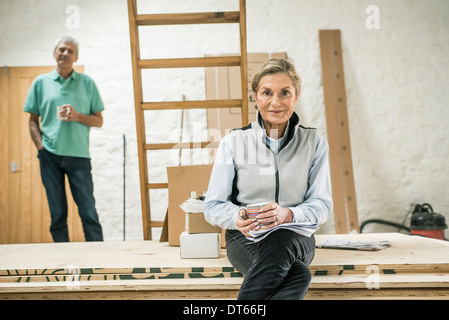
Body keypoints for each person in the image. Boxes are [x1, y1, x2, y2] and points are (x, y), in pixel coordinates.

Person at [203, 58, 333, 299]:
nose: (276, 102)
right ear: (256, 97)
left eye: (285, 93)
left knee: (282, 238)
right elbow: (212, 206)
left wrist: (289, 215)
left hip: (297, 236)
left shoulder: (314, 143)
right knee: (299, 275)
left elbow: (322, 204)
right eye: (267, 93)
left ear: (296, 96)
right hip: (245, 237)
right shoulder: (233, 141)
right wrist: (236, 217)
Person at [23, 36, 104, 242]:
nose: (65, 54)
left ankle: (99, 259)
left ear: (76, 57)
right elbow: (33, 120)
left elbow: (99, 121)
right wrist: (41, 148)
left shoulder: (87, 83)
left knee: (88, 213)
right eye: (61, 49)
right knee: (57, 215)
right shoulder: (40, 83)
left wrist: (77, 116)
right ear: (54, 53)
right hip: (50, 157)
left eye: (70, 51)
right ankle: (63, 261)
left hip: (79, 157)